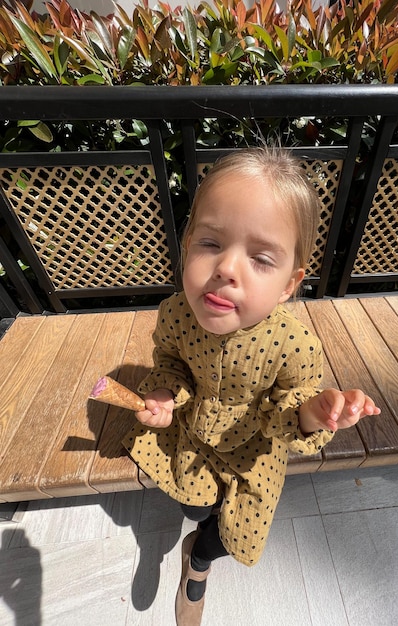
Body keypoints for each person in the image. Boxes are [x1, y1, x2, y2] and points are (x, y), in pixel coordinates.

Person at [123, 147, 380, 625]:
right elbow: (171, 363)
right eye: (210, 244)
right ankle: (197, 529)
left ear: (289, 284)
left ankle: (197, 561)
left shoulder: (293, 344)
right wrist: (163, 393)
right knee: (193, 502)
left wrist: (314, 412)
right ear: (187, 245)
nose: (226, 269)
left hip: (256, 447)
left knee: (238, 533)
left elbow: (291, 406)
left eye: (261, 258)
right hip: (196, 434)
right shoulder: (177, 313)